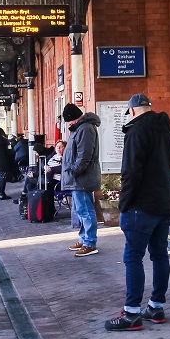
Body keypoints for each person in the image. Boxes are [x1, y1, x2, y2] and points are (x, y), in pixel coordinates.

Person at [106, 93, 170, 331]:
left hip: (141, 206)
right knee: (159, 254)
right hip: (164, 202)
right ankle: (156, 307)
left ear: (133, 111)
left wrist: (124, 204)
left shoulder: (136, 132)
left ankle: (132, 312)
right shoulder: (166, 130)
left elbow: (131, 172)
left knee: (133, 257)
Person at [59, 104, 102, 255]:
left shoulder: (85, 129)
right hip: (79, 178)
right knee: (82, 209)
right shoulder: (80, 128)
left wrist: (74, 171)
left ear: (74, 118)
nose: (68, 124)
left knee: (85, 210)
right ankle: (85, 239)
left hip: (82, 178)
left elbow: (84, 155)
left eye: (69, 121)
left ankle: (90, 242)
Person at [0, 126, 17, 200]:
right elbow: (9, 151)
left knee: (0, 178)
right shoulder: (5, 141)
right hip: (5, 161)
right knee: (3, 178)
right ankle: (2, 194)